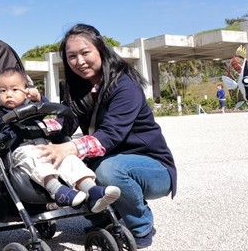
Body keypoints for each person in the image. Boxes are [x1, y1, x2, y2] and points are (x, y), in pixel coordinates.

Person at [37, 24, 177, 249]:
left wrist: (69, 149)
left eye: (85, 53)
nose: (79, 61)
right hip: (109, 158)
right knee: (65, 168)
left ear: (101, 49)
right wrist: (38, 115)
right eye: (71, 56)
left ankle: (140, 226)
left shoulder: (125, 85)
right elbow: (66, 124)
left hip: (151, 167)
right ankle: (104, 221)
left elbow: (111, 135)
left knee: (107, 170)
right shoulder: (78, 88)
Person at [0, 67, 120, 211]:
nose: (8, 94)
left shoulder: (34, 107)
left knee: (69, 160)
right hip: (18, 151)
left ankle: (91, 189)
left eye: (14, 89)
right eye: (3, 90)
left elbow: (50, 109)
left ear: (26, 90)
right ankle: (57, 190)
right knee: (33, 159)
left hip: (46, 146)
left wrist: (39, 97)